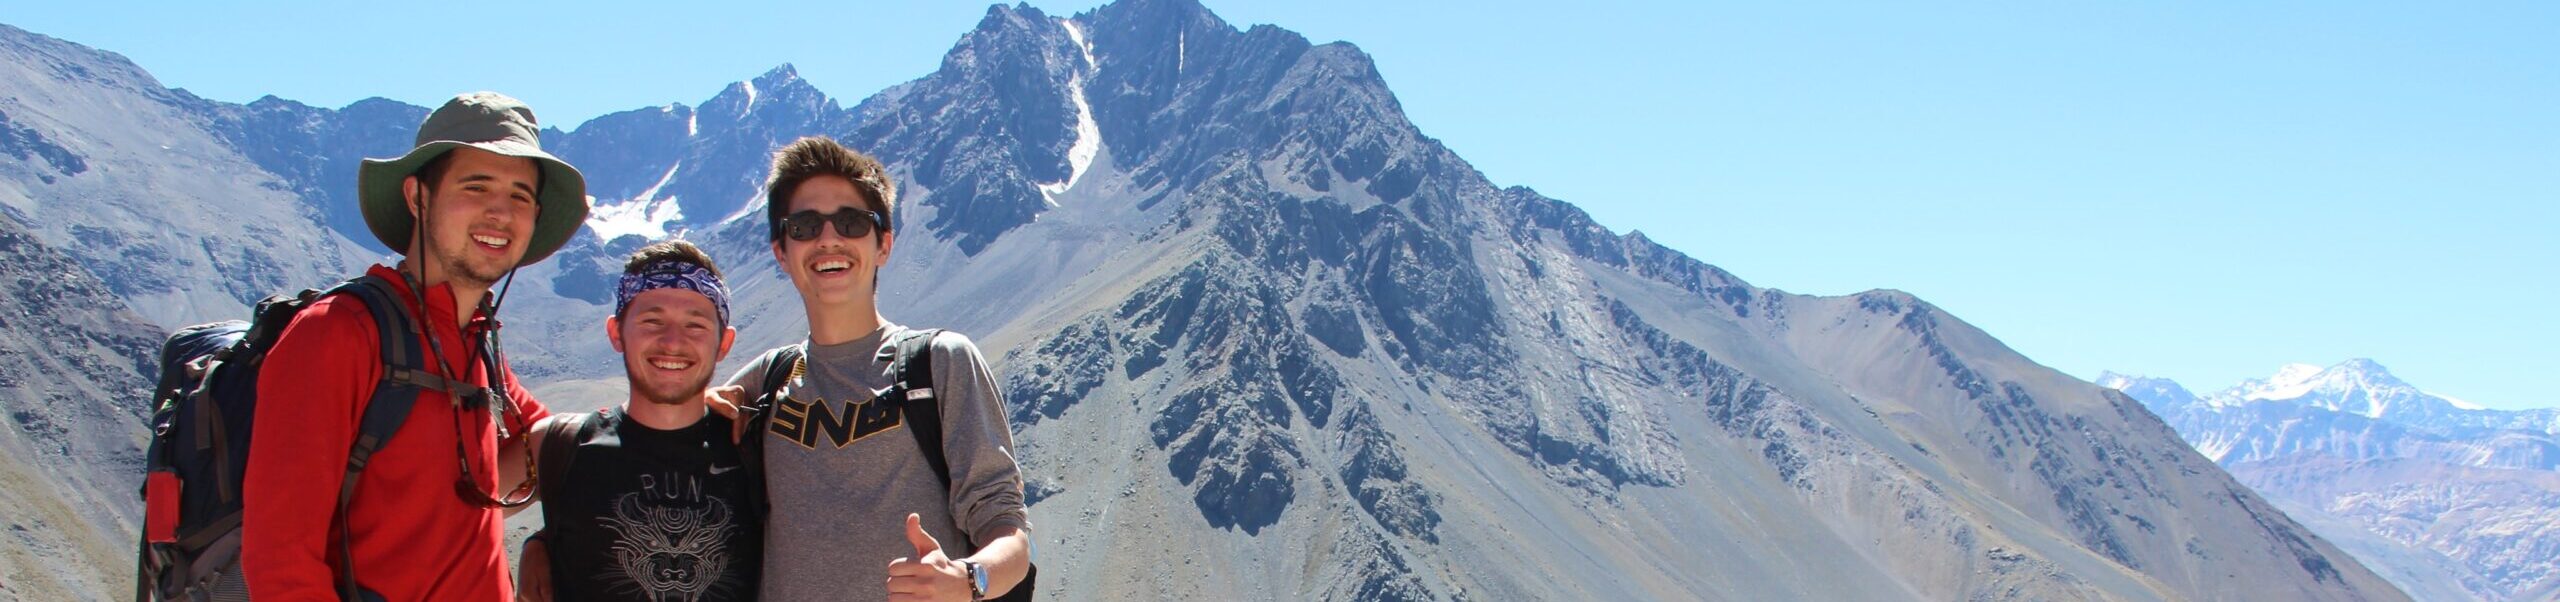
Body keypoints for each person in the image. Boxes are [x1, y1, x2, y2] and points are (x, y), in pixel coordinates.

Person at [241, 92, 586, 600]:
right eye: (477, 186)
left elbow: (551, 440)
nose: (500, 212)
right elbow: (281, 562)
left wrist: (544, 539)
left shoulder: (477, 343)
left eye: (520, 196)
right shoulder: (337, 334)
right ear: (418, 197)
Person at [722, 136, 1032, 601]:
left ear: (883, 244)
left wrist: (968, 579)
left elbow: (1008, 533)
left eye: (850, 222)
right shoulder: (766, 379)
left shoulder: (940, 362)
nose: (828, 239)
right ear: (781, 252)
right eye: (805, 226)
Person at [516, 240, 762, 602]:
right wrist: (542, 539)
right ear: (616, 332)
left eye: (695, 325)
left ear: (723, 344)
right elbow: (448, 509)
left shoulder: (758, 449)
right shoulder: (556, 446)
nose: (673, 342)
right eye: (652, 321)